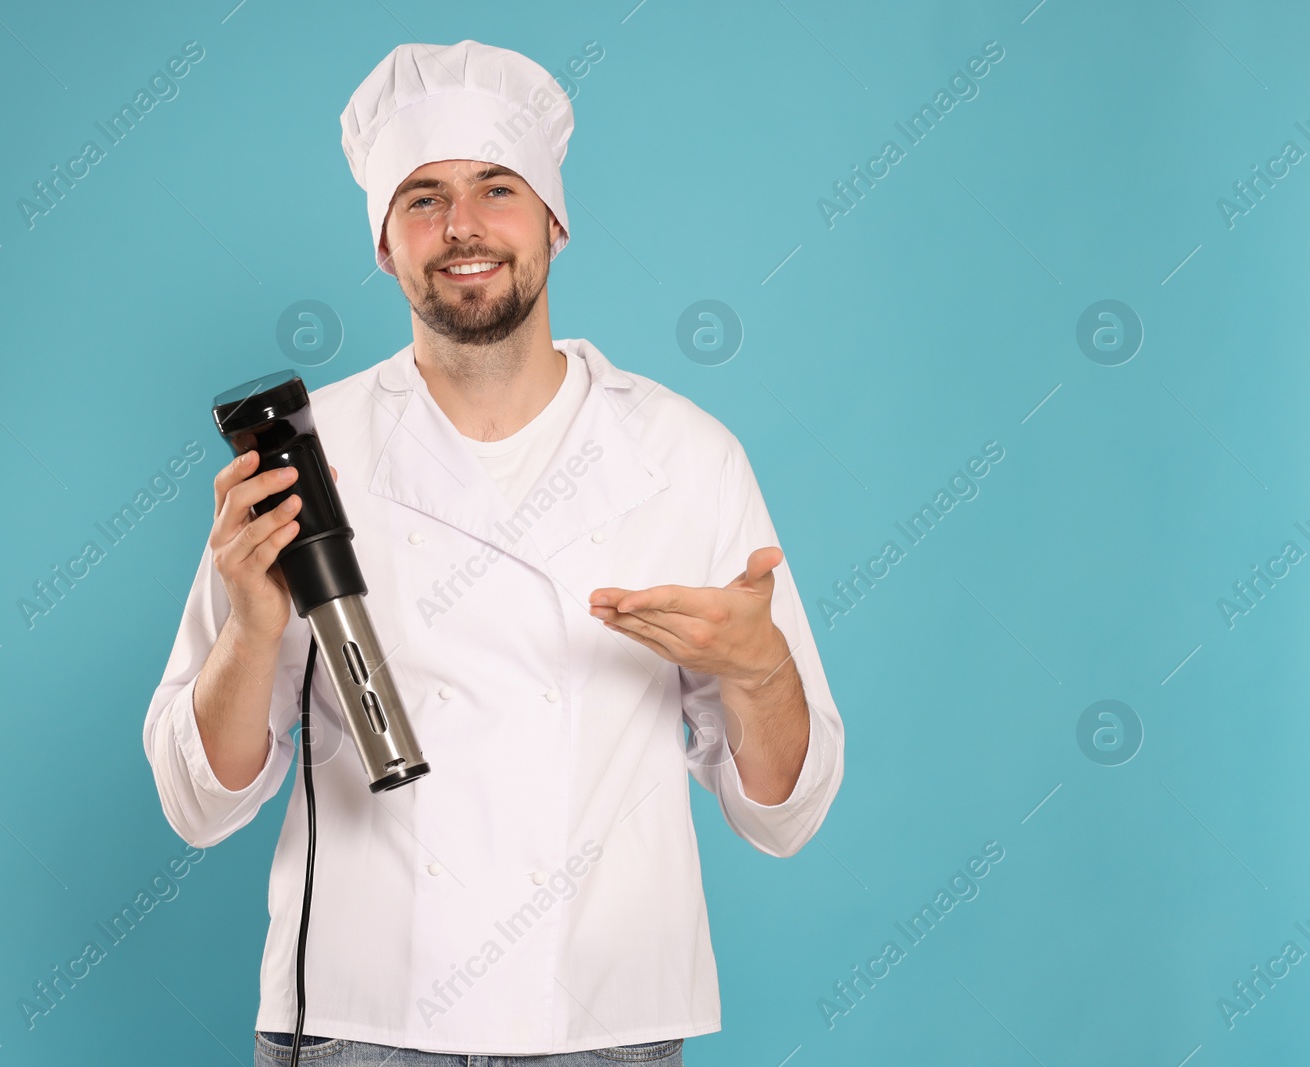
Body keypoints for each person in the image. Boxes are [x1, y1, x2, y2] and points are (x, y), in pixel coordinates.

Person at [142, 39, 845, 1066]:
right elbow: (197, 802)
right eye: (421, 197)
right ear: (383, 244)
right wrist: (251, 630)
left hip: (602, 1026)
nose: (461, 225)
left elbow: (786, 816)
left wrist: (759, 668)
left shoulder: (685, 455)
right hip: (362, 1021)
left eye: (495, 188)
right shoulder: (304, 459)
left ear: (555, 219)